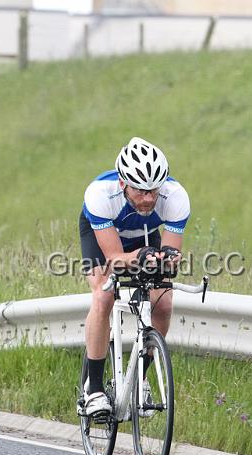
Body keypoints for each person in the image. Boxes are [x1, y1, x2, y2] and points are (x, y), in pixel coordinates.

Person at [78, 137, 190, 416]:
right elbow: (115, 259)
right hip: (103, 238)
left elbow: (172, 258)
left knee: (163, 301)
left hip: (143, 235)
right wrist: (140, 257)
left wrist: (163, 261)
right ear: (122, 183)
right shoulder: (100, 194)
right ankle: (93, 389)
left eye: (154, 190)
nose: (149, 198)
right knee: (103, 295)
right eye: (140, 192)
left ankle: (140, 378)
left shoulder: (175, 197)